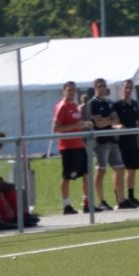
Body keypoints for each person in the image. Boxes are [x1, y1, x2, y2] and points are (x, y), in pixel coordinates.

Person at [52, 80, 89, 215]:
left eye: (73, 90)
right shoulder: (61, 106)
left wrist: (84, 124)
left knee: (86, 174)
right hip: (67, 147)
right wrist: (75, 126)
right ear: (64, 91)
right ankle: (66, 205)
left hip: (79, 145)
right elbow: (56, 128)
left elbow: (76, 123)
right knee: (67, 176)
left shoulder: (75, 105)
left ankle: (87, 203)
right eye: (69, 90)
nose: (72, 93)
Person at [86, 78, 120, 211]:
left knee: (119, 168)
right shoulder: (92, 103)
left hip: (112, 139)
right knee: (101, 170)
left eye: (104, 85)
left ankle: (120, 199)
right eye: (100, 86)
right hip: (100, 141)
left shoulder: (109, 102)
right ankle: (101, 201)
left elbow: (116, 119)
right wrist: (109, 120)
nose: (102, 88)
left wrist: (107, 120)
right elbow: (98, 124)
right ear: (95, 87)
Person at [113, 79, 139, 208]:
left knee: (132, 169)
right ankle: (119, 198)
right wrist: (118, 126)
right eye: (126, 87)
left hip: (133, 140)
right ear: (122, 88)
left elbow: (138, 121)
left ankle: (131, 197)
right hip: (121, 141)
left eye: (130, 88)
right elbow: (113, 122)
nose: (128, 90)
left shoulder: (134, 104)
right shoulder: (117, 104)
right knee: (119, 170)